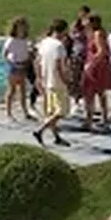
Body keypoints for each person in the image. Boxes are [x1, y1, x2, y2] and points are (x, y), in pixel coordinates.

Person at [33, 18, 72, 147]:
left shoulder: (44, 42)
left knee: (52, 111)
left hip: (46, 81)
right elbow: (58, 66)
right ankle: (40, 131)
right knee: (62, 111)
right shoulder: (59, 46)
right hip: (57, 82)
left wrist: (38, 78)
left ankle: (57, 137)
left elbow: (37, 61)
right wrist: (66, 80)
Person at [81, 13, 111, 130]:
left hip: (96, 67)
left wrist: (91, 63)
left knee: (91, 92)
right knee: (99, 93)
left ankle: (90, 120)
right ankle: (102, 119)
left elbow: (101, 51)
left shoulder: (97, 34)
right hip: (97, 65)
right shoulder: (92, 33)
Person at [1, 16, 35, 121]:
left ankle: (25, 111)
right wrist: (11, 63)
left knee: (23, 90)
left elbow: (26, 52)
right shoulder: (11, 40)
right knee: (11, 90)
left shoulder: (24, 40)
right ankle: (8, 113)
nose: (22, 29)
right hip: (14, 66)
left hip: (23, 65)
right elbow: (4, 54)